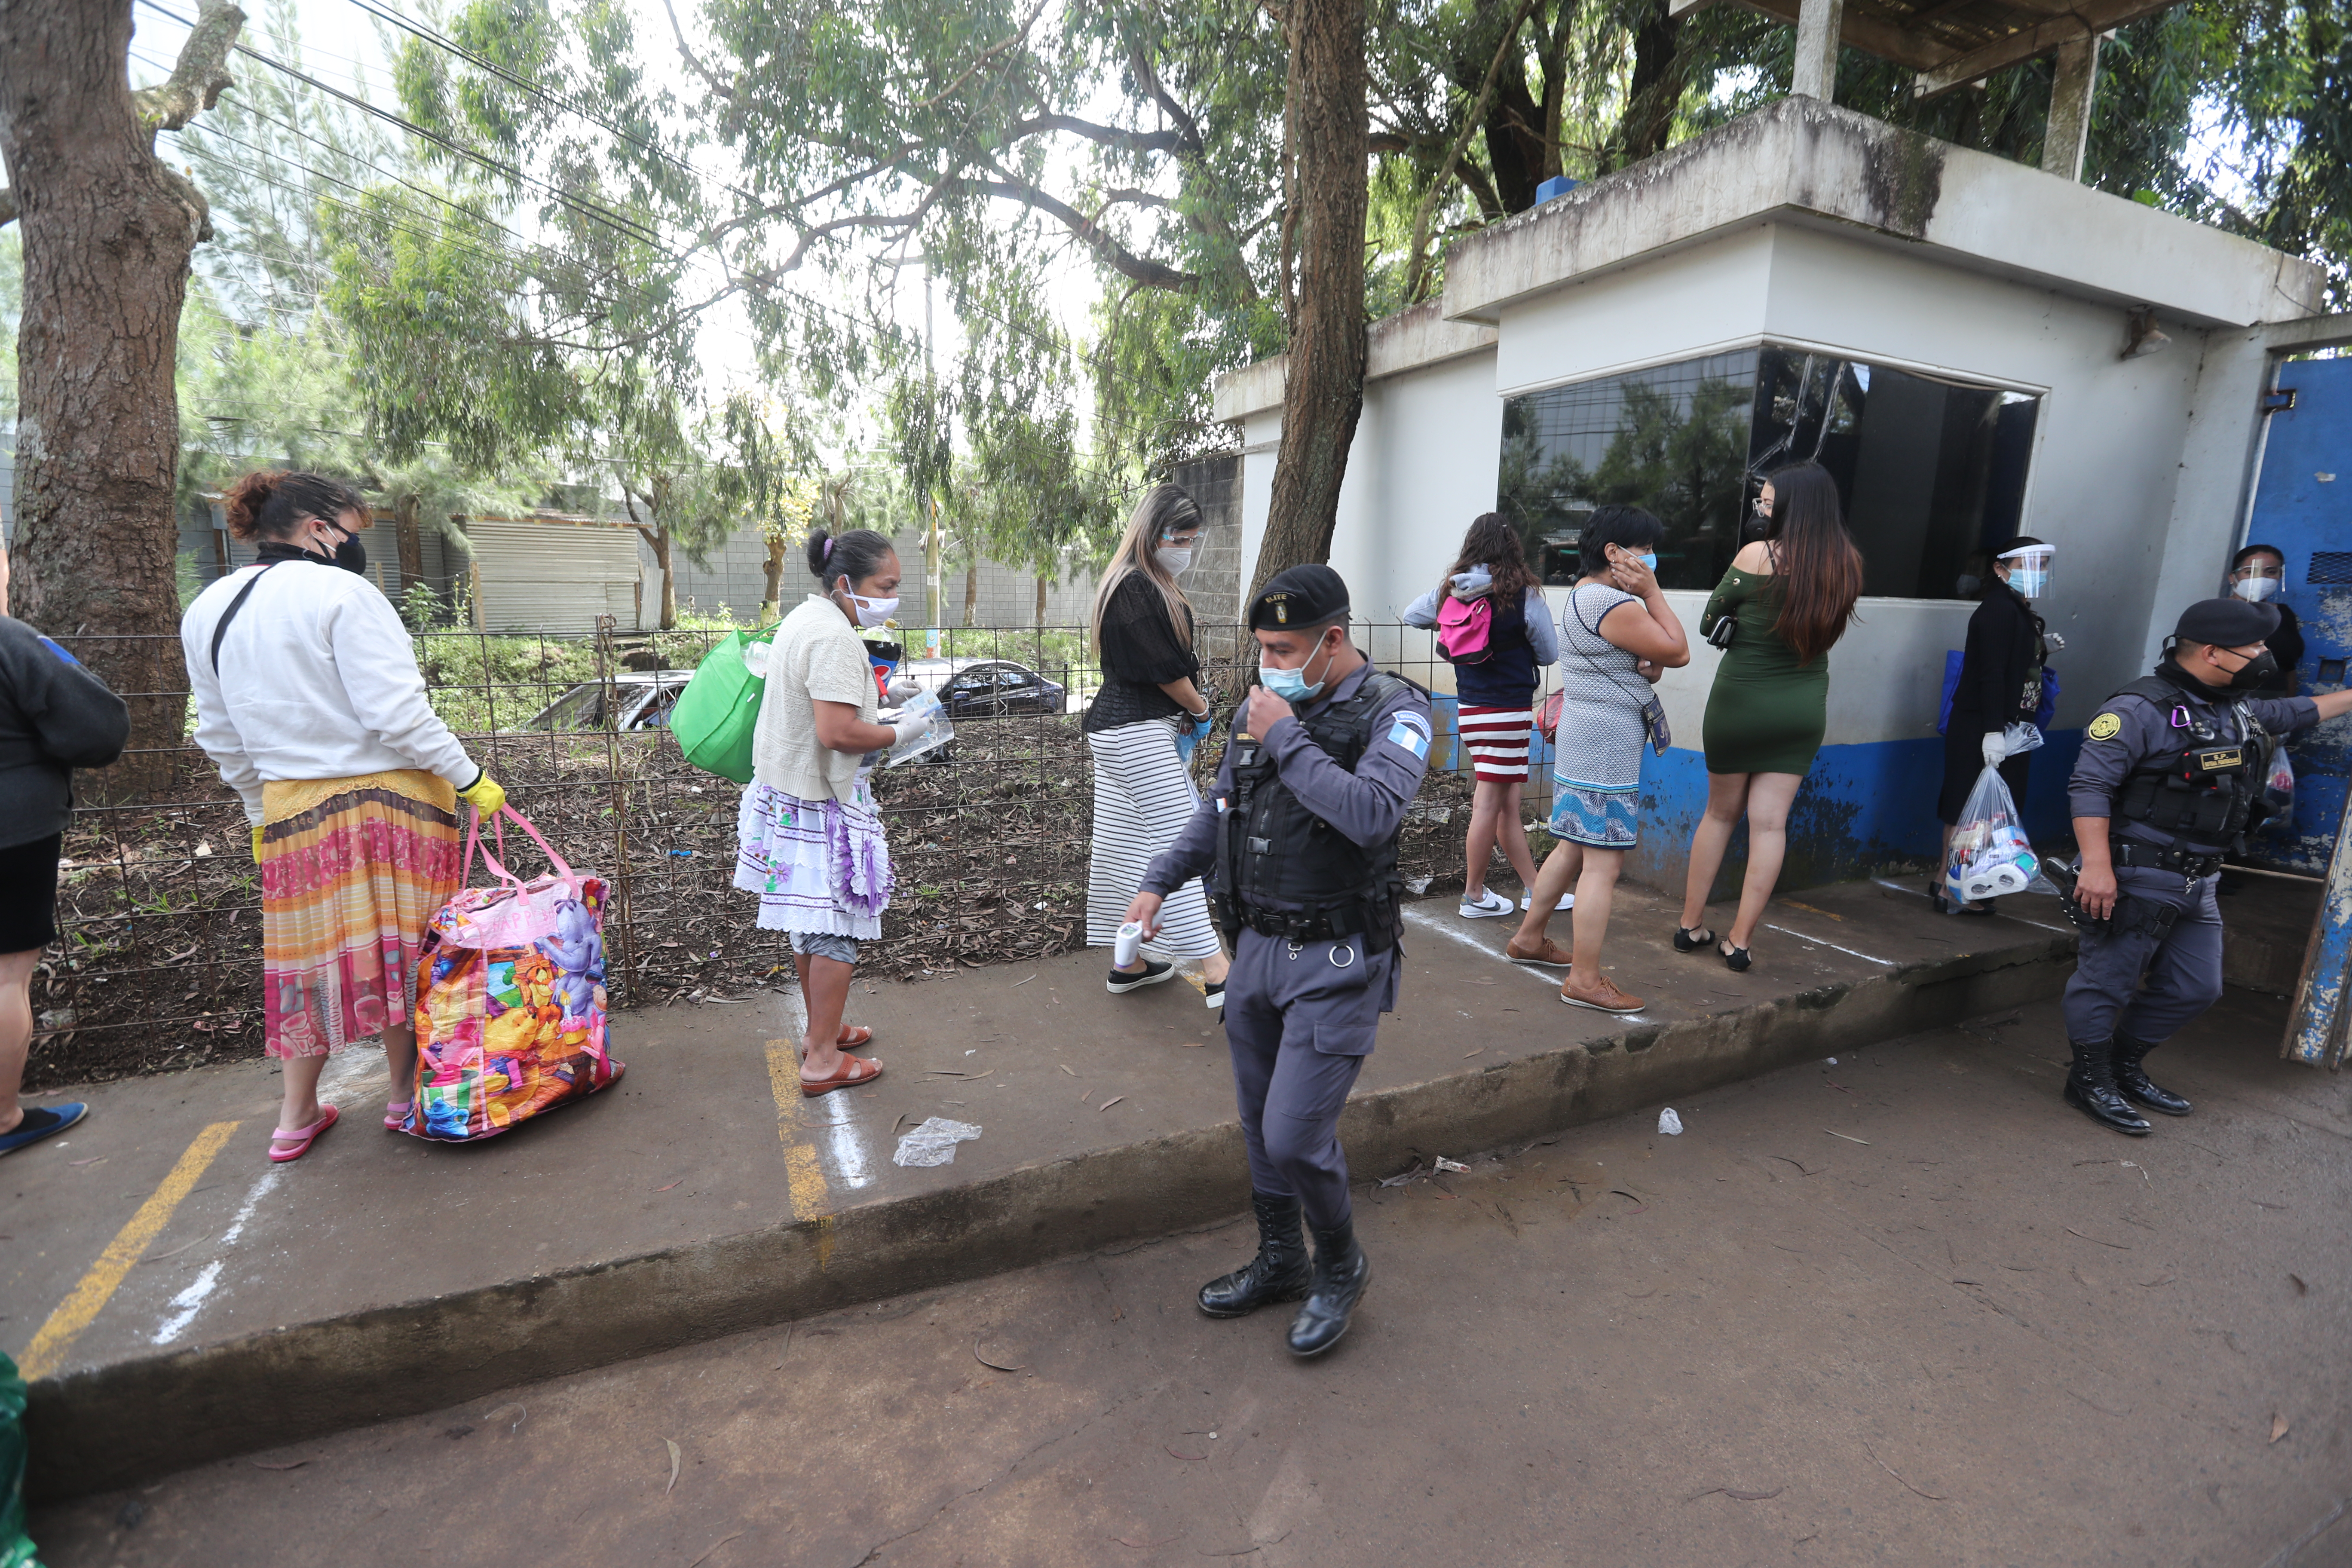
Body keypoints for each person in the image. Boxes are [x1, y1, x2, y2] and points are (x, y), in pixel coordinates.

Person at [1123, 564, 1430, 1357]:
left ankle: (1340, 1264)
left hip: (1336, 956)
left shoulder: (1394, 712)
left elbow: (1370, 814)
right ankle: (1282, 1258)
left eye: (1284, 647)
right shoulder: (1262, 711)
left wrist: (1286, 737)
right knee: (1261, 1127)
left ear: (1332, 640)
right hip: (1257, 949)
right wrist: (1157, 882)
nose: (1269, 663)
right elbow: (1217, 810)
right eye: (1261, 647)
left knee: (1296, 1134)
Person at [183, 471, 506, 1162]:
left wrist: (256, 814)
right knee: (411, 954)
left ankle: (296, 1114)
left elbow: (219, 733)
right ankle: (402, 1094)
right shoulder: (347, 595)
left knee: (304, 965)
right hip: (396, 809)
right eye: (353, 531)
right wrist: (470, 777)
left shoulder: (209, 608)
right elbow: (396, 715)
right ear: (318, 529)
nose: (357, 544)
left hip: (293, 810)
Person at [2060, 597, 2352, 1135]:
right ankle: (2089, 1078)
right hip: (2139, 870)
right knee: (2107, 983)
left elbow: (2294, 712)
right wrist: (2096, 865)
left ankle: (2122, 1064)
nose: (2266, 654)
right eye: (2256, 647)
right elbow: (2090, 786)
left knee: (2197, 987)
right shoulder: (2135, 710)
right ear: (2214, 653)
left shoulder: (2233, 704)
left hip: (2201, 876)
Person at [737, 526, 927, 1095]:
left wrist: (881, 698)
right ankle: (821, 1059)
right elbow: (837, 730)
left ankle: (826, 1031)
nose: (892, 597)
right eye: (885, 585)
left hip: (786, 794)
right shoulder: (838, 639)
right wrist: (902, 732)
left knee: (807, 924)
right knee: (836, 929)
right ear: (846, 582)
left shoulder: (807, 617)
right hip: (821, 802)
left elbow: (819, 697)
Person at [1674, 461, 1863, 971]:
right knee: (1770, 826)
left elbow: (1712, 617)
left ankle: (1691, 926)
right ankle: (1740, 942)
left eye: (1769, 501)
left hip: (1740, 702)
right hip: (1802, 708)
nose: (1762, 507)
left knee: (1719, 814)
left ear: (1792, 507)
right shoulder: (1846, 564)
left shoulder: (1758, 555)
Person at [1505, 506, 1689, 1012]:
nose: (1652, 558)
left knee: (1571, 847)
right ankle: (1584, 979)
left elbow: (1631, 661)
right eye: (1645, 548)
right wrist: (1651, 593)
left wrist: (1640, 672)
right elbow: (1679, 651)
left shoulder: (1584, 594)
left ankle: (1528, 938)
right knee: (1603, 864)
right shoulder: (1616, 602)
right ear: (1616, 553)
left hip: (1584, 736)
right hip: (1606, 745)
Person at [1082, 484, 1230, 1007]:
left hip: (1128, 732)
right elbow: (1165, 671)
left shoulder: (1142, 582)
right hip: (1136, 733)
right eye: (1179, 537)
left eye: (1193, 539)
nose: (1187, 548)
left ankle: (1131, 961)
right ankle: (1217, 969)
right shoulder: (1136, 588)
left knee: (1126, 847)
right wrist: (1201, 709)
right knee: (1180, 843)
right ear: (1151, 532)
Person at [0, 607, 129, 1157]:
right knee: (7, 975)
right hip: (13, 826)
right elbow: (96, 724)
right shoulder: (12, 641)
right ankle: (4, 1117)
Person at [1399, 513, 1562, 919]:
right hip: (1508, 710)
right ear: (1513, 550)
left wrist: (1452, 605)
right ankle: (1473, 895)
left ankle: (1536, 891)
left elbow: (1411, 614)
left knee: (1506, 802)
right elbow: (1549, 654)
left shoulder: (1452, 591)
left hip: (1471, 708)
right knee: (1490, 802)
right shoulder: (1524, 595)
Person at [1934, 537, 2053, 914]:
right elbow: (1991, 674)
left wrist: (2040, 646)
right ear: (2002, 571)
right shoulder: (1998, 610)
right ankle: (1948, 883)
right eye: (2027, 566)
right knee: (1966, 807)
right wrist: (1992, 731)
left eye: (2043, 566)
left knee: (1994, 814)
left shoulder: (2017, 609)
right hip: (1984, 725)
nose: (2037, 574)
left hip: (2011, 727)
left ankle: (1971, 882)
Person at [2225, 543, 2302, 694]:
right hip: (2225, 700)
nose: (2260, 579)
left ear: (2280, 576)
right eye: (2250, 572)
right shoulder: (2214, 612)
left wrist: (2290, 705)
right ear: (2232, 577)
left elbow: (2289, 668)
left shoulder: (2283, 614)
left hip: (2273, 701)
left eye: (2271, 572)